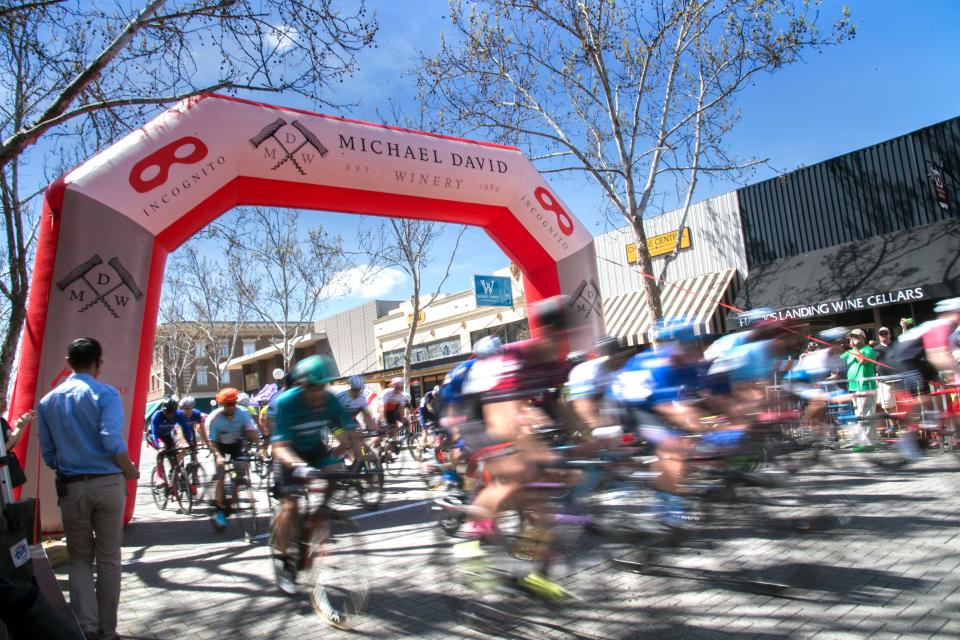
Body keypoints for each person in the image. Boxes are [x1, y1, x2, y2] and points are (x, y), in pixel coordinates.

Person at [37, 337, 139, 640]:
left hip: (72, 487)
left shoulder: (48, 401)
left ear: (68, 363)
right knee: (109, 558)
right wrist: (128, 468)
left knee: (79, 558)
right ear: (98, 363)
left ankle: (86, 627)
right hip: (107, 483)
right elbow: (111, 439)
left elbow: (49, 454)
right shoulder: (105, 394)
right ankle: (108, 631)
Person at [270, 356, 360, 596]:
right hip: (289, 453)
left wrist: (352, 449)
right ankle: (284, 563)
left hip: (314, 449)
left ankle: (321, 512)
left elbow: (344, 426)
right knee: (290, 506)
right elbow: (279, 446)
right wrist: (299, 466)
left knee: (335, 471)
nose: (320, 393)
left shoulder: (329, 400)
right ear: (303, 385)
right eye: (315, 387)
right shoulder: (287, 402)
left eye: (324, 386)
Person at [206, 387, 259, 530]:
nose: (231, 407)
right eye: (228, 404)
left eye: (233, 403)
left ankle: (232, 500)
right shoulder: (215, 418)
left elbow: (251, 430)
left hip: (236, 443)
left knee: (240, 471)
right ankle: (219, 508)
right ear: (223, 405)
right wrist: (218, 457)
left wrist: (258, 443)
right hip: (220, 444)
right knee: (221, 475)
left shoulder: (242, 413)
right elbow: (212, 441)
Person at [841, 328, 877, 449]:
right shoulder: (850, 352)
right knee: (860, 415)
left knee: (865, 415)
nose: (853, 339)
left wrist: (854, 347)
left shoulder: (868, 350)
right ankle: (865, 440)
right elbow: (837, 360)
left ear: (863, 338)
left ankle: (867, 442)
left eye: (856, 336)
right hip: (854, 387)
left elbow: (862, 360)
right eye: (851, 337)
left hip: (866, 386)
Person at [149, 397, 194, 483]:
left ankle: (174, 478)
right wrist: (159, 447)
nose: (170, 415)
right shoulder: (157, 415)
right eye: (167, 412)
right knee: (161, 451)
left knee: (173, 456)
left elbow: (186, 428)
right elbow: (154, 433)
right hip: (155, 436)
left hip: (167, 436)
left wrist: (190, 441)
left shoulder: (178, 415)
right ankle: (159, 476)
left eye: (172, 413)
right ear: (163, 410)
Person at [0, 393, 33, 489]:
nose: (4, 401)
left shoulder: (2, 421)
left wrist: (21, 426)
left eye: (4, 398)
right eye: (0, 399)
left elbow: (12, 444)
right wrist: (19, 427)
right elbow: (3, 449)